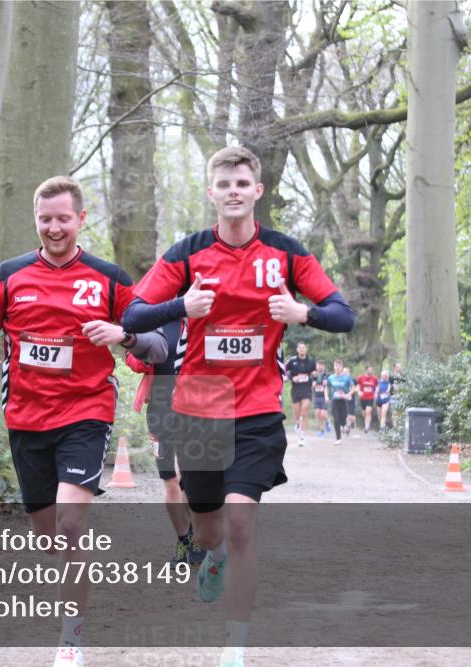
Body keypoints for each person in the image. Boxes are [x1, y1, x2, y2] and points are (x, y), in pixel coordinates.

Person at [121, 146, 354, 667]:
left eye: (242, 183)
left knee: (243, 522)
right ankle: (214, 555)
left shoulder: (286, 254)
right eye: (224, 183)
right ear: (212, 192)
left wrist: (303, 312)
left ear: (257, 191)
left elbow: (344, 314)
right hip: (199, 409)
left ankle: (236, 643)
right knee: (208, 530)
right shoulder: (187, 254)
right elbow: (133, 313)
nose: (233, 191)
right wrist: (182, 305)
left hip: (256, 410)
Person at [0, 176, 167, 667]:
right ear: (36, 221)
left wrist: (122, 334)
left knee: (72, 527)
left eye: (63, 218)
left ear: (81, 219)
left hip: (85, 413)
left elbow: (157, 343)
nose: (54, 228)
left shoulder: (109, 278)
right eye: (45, 219)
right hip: (26, 417)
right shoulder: (11, 274)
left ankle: (71, 639)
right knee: (50, 538)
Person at [125, 319, 207, 567]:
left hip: (194, 407)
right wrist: (145, 357)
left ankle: (198, 537)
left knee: (189, 478)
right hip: (160, 408)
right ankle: (183, 540)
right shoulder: (158, 321)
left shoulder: (202, 320)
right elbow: (132, 358)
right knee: (170, 481)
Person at [284, 341, 315, 446]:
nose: (302, 349)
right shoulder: (292, 361)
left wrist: (314, 376)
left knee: (305, 410)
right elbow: (284, 371)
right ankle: (297, 423)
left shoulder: (311, 361)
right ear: (297, 350)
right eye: (300, 348)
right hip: (296, 389)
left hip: (306, 389)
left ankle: (302, 435)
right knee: (297, 412)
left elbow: (314, 374)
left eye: (304, 348)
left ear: (306, 349)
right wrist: (292, 378)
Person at [325, 359, 353, 444]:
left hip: (343, 401)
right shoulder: (331, 377)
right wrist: (326, 396)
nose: (337, 367)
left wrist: (348, 394)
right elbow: (326, 387)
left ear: (341, 367)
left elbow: (353, 387)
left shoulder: (346, 378)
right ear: (334, 367)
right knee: (336, 419)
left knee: (343, 419)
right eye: (336, 365)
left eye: (339, 366)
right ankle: (338, 438)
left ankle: (346, 425)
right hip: (335, 401)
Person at [357, 365, 379, 433]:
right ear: (366, 370)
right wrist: (359, 391)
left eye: (371, 370)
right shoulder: (361, 378)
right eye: (369, 370)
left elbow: (377, 386)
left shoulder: (374, 378)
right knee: (364, 413)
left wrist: (376, 393)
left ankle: (367, 427)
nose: (370, 371)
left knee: (368, 412)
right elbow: (357, 385)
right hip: (363, 397)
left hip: (370, 397)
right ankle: (366, 422)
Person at [311, 360, 329, 436]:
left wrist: (327, 383)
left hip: (324, 397)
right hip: (316, 396)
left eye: (321, 365)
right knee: (317, 414)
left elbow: (329, 385)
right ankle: (322, 430)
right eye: (318, 365)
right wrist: (312, 385)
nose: (320, 367)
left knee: (323, 414)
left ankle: (328, 422)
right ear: (316, 366)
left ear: (324, 366)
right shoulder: (313, 375)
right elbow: (310, 385)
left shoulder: (327, 375)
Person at [388, 362, 405, 429]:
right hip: (394, 396)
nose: (399, 368)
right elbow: (389, 385)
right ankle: (395, 427)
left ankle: (400, 427)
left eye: (400, 367)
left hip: (402, 396)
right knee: (394, 412)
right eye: (398, 367)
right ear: (394, 368)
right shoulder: (391, 376)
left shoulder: (403, 376)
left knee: (401, 412)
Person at [344, 365, 358, 435]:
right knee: (346, 414)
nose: (345, 373)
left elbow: (358, 386)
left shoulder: (353, 380)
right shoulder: (341, 380)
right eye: (344, 372)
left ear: (349, 373)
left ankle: (351, 423)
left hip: (351, 400)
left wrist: (355, 390)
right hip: (344, 399)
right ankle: (347, 426)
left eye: (346, 372)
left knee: (352, 417)